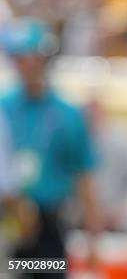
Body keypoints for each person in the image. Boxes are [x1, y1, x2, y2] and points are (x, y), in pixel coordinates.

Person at [0, 17, 102, 277]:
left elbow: (85, 178)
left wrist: (93, 241)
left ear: (44, 59)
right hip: (8, 219)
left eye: (30, 57)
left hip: (49, 224)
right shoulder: (4, 108)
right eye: (18, 58)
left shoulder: (68, 115)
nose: (24, 65)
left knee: (47, 270)